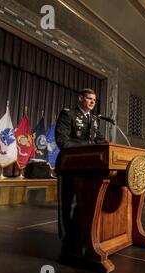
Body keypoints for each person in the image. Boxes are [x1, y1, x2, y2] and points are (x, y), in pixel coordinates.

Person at [55, 88, 108, 255]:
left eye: (94, 100)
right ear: (80, 99)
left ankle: (79, 232)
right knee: (65, 203)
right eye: (89, 98)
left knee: (83, 203)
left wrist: (110, 147)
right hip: (68, 166)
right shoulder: (68, 115)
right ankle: (66, 236)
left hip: (87, 168)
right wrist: (88, 148)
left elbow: (100, 140)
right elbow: (62, 141)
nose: (92, 102)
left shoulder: (94, 119)